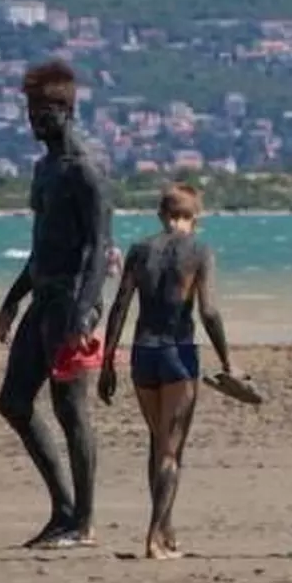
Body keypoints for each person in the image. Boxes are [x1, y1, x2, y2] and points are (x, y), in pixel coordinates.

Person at [0, 60, 113, 549]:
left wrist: (84, 313)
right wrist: (12, 300)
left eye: (42, 112)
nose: (33, 122)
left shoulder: (86, 168)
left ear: (67, 111)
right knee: (14, 402)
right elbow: (42, 243)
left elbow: (99, 247)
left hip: (72, 302)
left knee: (71, 410)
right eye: (29, 112)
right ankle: (62, 509)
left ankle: (82, 523)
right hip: (42, 296)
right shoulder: (44, 170)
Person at [98, 183, 235, 561]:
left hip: (143, 354)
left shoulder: (141, 250)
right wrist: (227, 362)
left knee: (158, 444)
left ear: (161, 214)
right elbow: (208, 311)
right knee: (172, 452)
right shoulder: (200, 251)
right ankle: (154, 539)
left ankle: (167, 528)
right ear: (197, 217)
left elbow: (120, 306)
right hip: (178, 354)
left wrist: (107, 361)